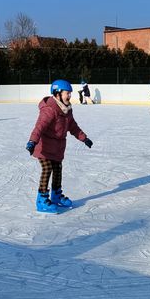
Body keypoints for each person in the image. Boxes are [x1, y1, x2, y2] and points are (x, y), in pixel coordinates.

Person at [26, 79, 93, 213]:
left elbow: (73, 127)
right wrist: (32, 141)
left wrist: (84, 138)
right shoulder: (50, 110)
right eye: (67, 93)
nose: (69, 96)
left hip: (57, 148)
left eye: (70, 93)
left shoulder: (67, 110)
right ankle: (42, 200)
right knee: (47, 168)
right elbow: (39, 127)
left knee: (58, 169)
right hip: (44, 147)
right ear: (57, 94)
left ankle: (56, 196)